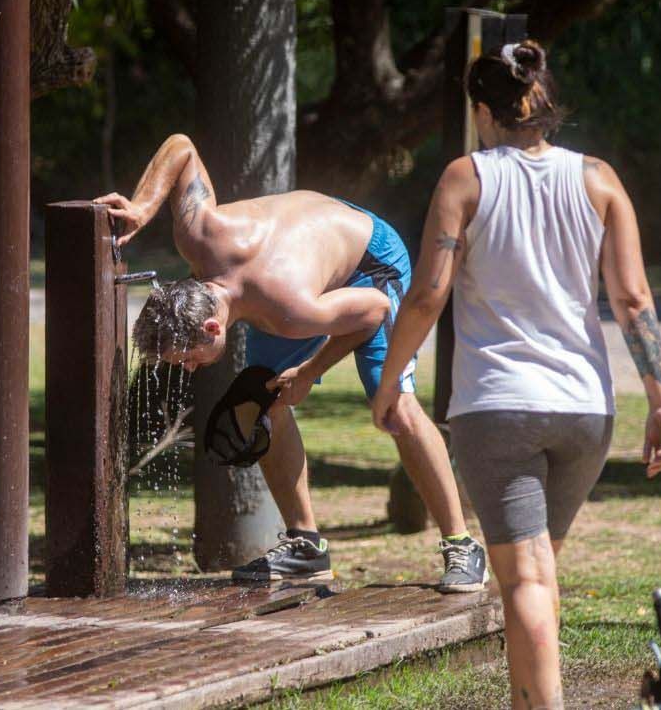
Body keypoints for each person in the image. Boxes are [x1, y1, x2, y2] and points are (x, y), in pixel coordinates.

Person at [371, 40, 661, 709]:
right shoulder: (598, 179)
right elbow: (633, 300)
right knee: (538, 574)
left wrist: (393, 380)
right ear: (540, 102)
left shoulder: (466, 178)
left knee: (526, 583)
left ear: (483, 110)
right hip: (585, 412)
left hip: (497, 409)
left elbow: (427, 294)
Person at [94, 134, 488, 592]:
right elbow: (181, 147)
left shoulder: (293, 310)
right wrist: (143, 208)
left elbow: (372, 312)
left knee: (395, 406)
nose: (189, 370)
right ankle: (306, 546)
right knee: (262, 399)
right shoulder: (197, 235)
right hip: (303, 251)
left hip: (372, 263)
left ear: (212, 329)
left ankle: (462, 543)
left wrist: (309, 372)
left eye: (188, 360)